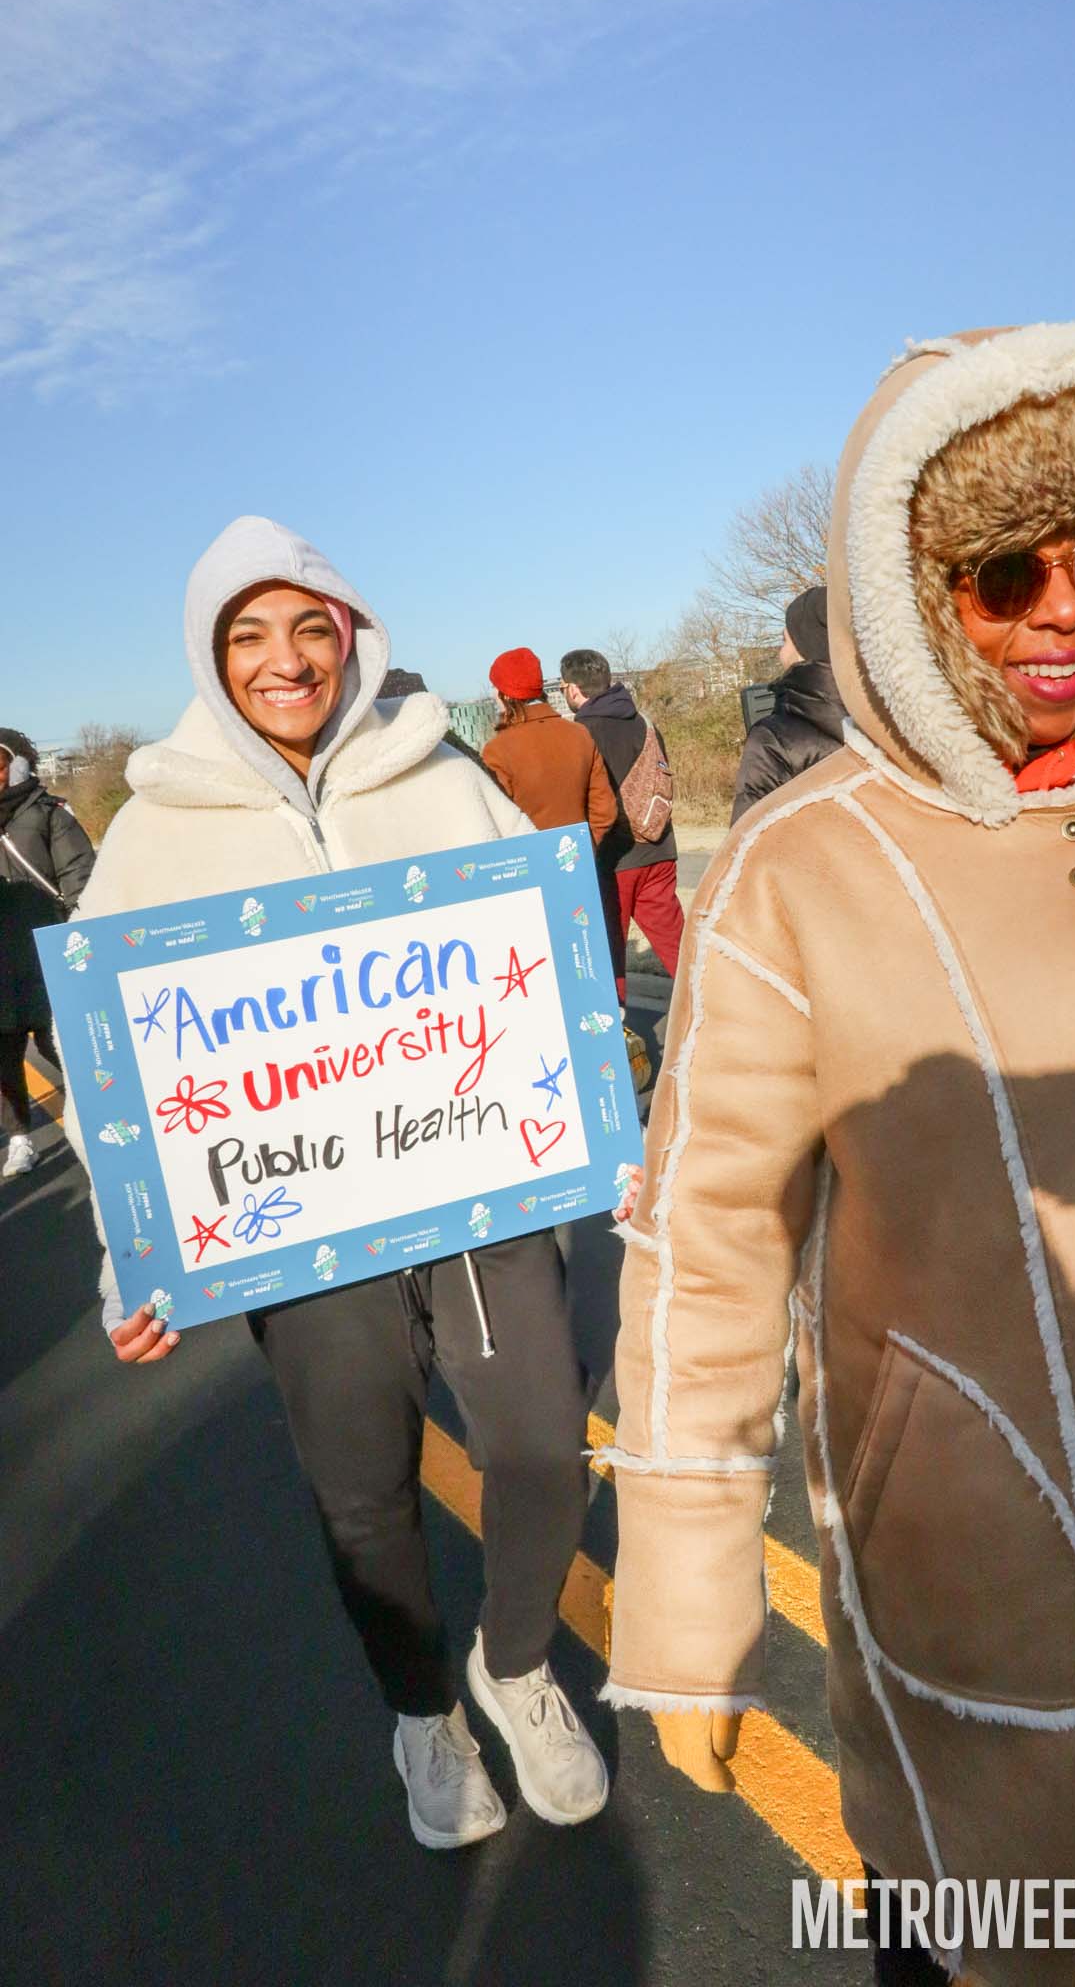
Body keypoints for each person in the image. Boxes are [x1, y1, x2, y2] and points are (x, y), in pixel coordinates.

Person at [603, 328, 1075, 1984]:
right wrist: (689, 1597)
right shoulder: (799, 869)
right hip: (988, 1603)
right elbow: (711, 1247)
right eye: (1005, 573)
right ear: (908, 591)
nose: (1062, 610)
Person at [67, 517, 620, 1852]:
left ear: (351, 636)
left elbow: (546, 964)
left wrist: (609, 1134)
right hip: (300, 1233)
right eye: (249, 635)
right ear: (212, 659)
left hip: (477, 1201)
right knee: (365, 1496)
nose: (286, 659)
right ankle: (422, 1711)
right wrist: (131, 1254)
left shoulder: (442, 773)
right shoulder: (153, 832)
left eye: (310, 627)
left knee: (541, 1446)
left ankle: (514, 1662)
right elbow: (110, 1068)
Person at [558, 650, 684, 1004]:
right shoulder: (644, 722)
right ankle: (717, 1012)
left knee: (609, 952)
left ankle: (616, 1027)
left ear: (572, 689)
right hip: (659, 848)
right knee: (679, 946)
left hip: (614, 859)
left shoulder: (579, 734)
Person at [0, 727, 94, 1177]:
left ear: (17, 765)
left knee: (63, 1042)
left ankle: (94, 1115)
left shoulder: (48, 813)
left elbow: (79, 873)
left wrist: (79, 934)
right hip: (1, 961)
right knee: (4, 1054)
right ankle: (20, 1137)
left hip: (49, 949)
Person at [731, 586, 846, 822]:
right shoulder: (892, 723)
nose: (780, 653)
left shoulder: (773, 739)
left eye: (784, 640)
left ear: (805, 647)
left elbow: (749, 836)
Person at [482, 645, 618, 842]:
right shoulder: (579, 734)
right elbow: (604, 811)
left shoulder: (497, 751)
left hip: (529, 858)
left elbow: (496, 823)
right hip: (577, 855)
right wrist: (584, 849)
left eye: (495, 687)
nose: (493, 694)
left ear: (507, 694)